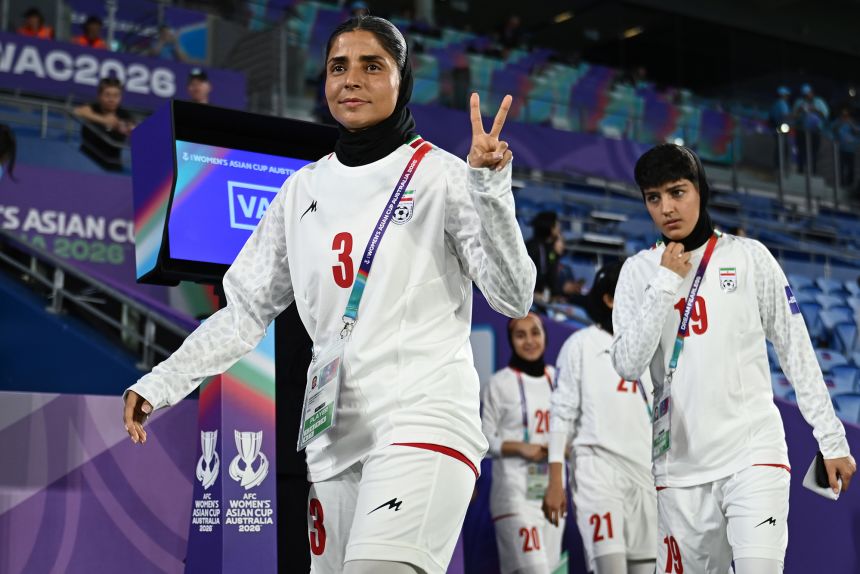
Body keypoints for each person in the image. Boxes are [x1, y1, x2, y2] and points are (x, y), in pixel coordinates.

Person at [122, 15, 535, 574]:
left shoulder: (444, 175)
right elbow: (243, 312)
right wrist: (161, 382)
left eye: (373, 66)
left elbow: (513, 296)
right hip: (335, 441)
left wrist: (489, 189)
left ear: (402, 78)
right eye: (339, 66)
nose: (352, 79)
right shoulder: (302, 190)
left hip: (424, 421)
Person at [610, 143, 855, 574]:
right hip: (678, 470)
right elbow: (628, 365)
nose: (667, 207)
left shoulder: (749, 257)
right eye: (654, 197)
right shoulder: (638, 272)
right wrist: (666, 282)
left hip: (752, 454)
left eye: (677, 192)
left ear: (701, 190)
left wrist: (831, 439)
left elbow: (796, 349)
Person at [543, 261, 656, 574]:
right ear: (608, 298)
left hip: (646, 477)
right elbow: (561, 411)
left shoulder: (648, 350)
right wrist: (556, 479)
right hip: (598, 469)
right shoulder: (580, 344)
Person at [481, 312, 564, 574]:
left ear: (545, 336)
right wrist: (519, 446)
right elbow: (483, 439)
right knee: (535, 570)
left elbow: (578, 430)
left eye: (535, 332)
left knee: (548, 569)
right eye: (520, 334)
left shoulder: (560, 380)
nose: (529, 340)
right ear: (511, 340)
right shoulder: (499, 383)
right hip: (514, 492)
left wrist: (562, 447)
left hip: (552, 492)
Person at [73, 77, 135, 171]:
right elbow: (77, 111)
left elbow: (131, 127)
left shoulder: (124, 115)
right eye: (107, 95)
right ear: (99, 96)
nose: (111, 99)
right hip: (86, 162)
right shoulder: (92, 108)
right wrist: (103, 120)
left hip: (112, 167)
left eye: (116, 96)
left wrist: (123, 126)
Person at [792, 84, 829, 175]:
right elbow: (794, 116)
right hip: (802, 130)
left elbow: (825, 115)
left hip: (815, 131)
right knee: (801, 151)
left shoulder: (819, 102)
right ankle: (800, 171)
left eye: (808, 93)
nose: (807, 96)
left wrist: (815, 109)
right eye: (805, 94)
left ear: (812, 93)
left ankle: (813, 172)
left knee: (814, 153)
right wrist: (800, 110)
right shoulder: (799, 102)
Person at [834, 108, 859, 189]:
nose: (845, 117)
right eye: (844, 116)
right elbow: (834, 130)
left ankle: (849, 184)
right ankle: (841, 184)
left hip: (851, 150)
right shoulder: (838, 123)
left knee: (851, 168)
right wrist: (840, 123)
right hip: (842, 149)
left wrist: (850, 123)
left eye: (846, 116)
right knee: (841, 167)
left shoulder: (853, 123)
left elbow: (857, 131)